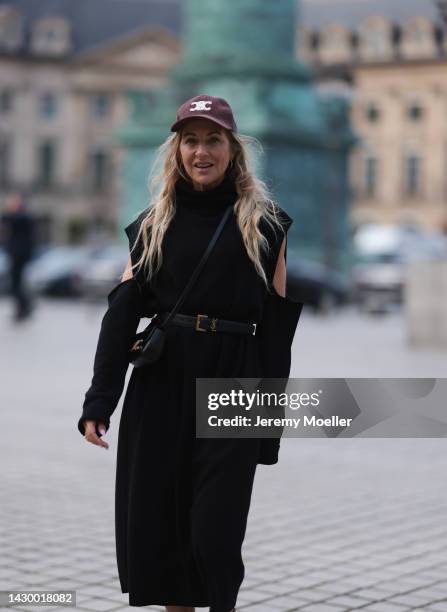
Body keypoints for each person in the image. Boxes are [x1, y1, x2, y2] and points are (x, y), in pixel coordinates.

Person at [77, 94, 302, 612]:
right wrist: (99, 401)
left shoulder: (268, 226)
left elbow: (274, 332)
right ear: (177, 151)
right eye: (191, 141)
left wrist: (268, 427)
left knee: (215, 537)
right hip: (163, 382)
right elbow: (119, 319)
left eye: (213, 140)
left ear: (233, 149)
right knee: (165, 533)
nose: (202, 151)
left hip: (234, 382)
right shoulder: (150, 224)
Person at [0, 192, 35, 322]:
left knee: (16, 284)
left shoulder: (23, 217)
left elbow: (8, 218)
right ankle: (22, 308)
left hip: (19, 256)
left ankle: (25, 307)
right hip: (16, 255)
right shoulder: (19, 217)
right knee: (16, 283)